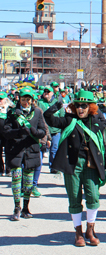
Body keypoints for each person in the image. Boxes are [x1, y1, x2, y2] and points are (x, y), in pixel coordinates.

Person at [44, 90, 106, 247]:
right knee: (74, 198)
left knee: (93, 198)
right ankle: (78, 233)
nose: (81, 109)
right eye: (78, 105)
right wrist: (56, 105)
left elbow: (101, 145)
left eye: (84, 106)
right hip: (73, 165)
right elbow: (49, 119)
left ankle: (90, 230)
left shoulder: (97, 120)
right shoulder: (68, 119)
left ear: (90, 106)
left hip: (91, 165)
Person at [3, 87, 46, 221]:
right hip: (15, 150)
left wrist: (34, 131)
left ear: (32, 100)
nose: (25, 102)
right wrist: (19, 132)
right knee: (16, 179)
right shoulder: (12, 113)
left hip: (31, 150)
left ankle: (26, 207)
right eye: (23, 99)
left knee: (28, 181)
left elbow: (43, 131)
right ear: (19, 100)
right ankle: (17, 207)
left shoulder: (38, 113)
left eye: (28, 99)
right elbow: (6, 131)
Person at [38, 86, 66, 174]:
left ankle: (53, 167)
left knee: (54, 149)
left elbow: (62, 116)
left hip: (55, 131)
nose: (46, 93)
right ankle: (37, 168)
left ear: (52, 93)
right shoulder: (40, 103)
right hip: (44, 131)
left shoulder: (57, 103)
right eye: (45, 91)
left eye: (48, 92)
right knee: (41, 149)